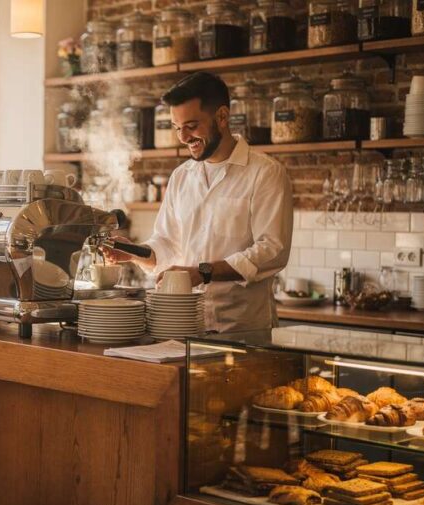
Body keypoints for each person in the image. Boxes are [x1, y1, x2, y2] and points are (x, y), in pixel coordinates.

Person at [105, 72, 294, 332]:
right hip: (187, 325)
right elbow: (168, 245)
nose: (183, 137)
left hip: (242, 329)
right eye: (176, 127)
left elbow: (272, 250)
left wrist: (204, 272)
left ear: (222, 117)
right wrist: (135, 253)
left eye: (192, 126)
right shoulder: (182, 177)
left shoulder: (265, 173)